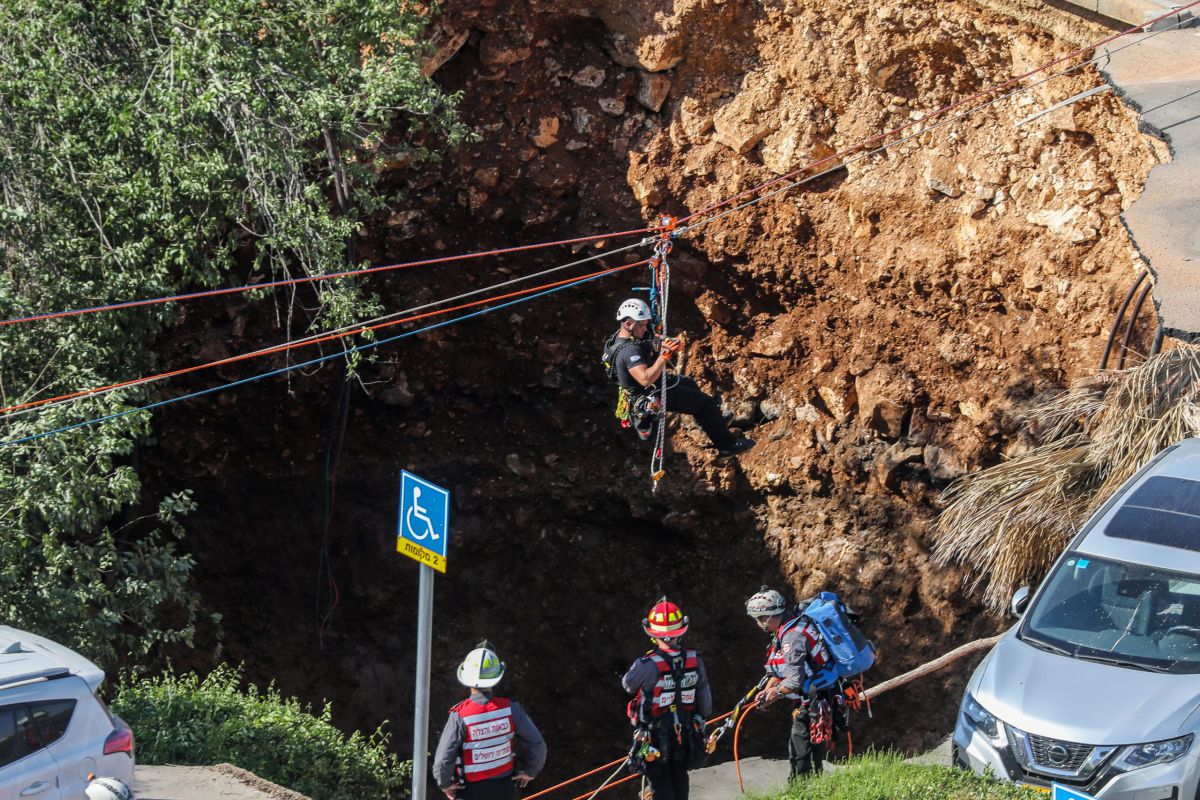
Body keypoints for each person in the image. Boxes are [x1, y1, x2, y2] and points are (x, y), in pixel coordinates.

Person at [605, 298, 755, 456]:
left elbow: (648, 338)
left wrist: (668, 342)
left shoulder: (623, 336)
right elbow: (645, 379)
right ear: (628, 324)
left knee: (688, 383)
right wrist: (664, 356)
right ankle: (727, 445)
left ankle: (713, 422)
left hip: (651, 386)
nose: (645, 328)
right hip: (650, 392)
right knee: (704, 403)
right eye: (642, 325)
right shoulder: (629, 352)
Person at [622, 598, 713, 800]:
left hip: (652, 737)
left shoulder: (646, 664)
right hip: (686, 733)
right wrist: (700, 719)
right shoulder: (694, 659)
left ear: (652, 634)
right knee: (680, 777)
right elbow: (704, 699)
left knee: (659, 781)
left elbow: (628, 685)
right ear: (681, 630)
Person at [433, 641, 547, 800]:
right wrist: (529, 771)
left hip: (469, 792)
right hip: (504, 789)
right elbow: (537, 745)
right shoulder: (511, 709)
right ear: (496, 677)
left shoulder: (459, 716)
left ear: (465, 677)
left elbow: (443, 760)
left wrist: (446, 784)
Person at [745, 587, 835, 780]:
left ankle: (801, 788)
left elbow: (794, 681)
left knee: (801, 749)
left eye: (759, 618)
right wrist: (768, 691)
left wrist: (774, 694)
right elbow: (779, 670)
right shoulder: (788, 626)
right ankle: (813, 784)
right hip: (812, 696)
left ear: (767, 617)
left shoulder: (792, 637)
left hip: (815, 699)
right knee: (809, 746)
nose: (758, 624)